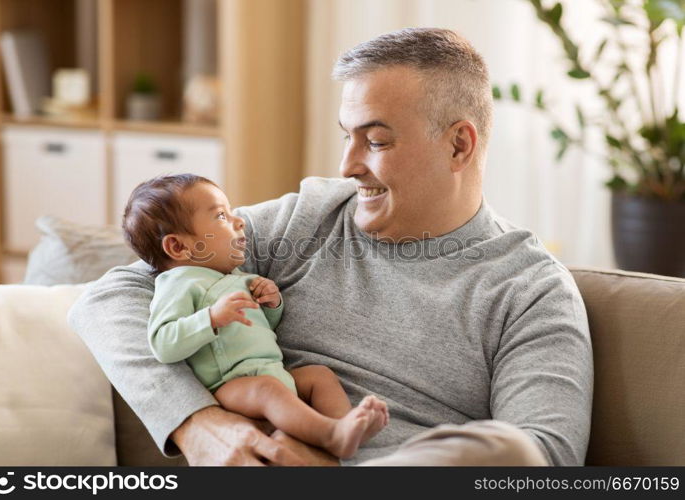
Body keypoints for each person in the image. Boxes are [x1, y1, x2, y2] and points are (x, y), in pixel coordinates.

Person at [69, 28, 592, 466]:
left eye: (377, 141)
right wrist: (199, 424)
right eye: (347, 136)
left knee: (509, 453)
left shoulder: (530, 288)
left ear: (458, 145)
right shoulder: (311, 217)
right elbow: (111, 294)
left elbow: (544, 458)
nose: (348, 165)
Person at [122, 174, 388, 459]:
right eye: (221, 216)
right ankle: (331, 434)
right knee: (267, 390)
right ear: (178, 247)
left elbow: (258, 330)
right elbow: (163, 343)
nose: (239, 221)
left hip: (271, 372)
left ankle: (344, 427)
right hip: (228, 386)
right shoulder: (179, 283)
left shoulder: (237, 278)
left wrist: (271, 305)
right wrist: (210, 318)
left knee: (318, 376)